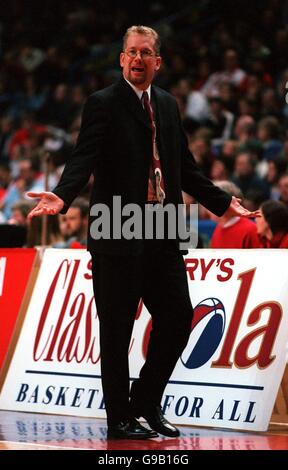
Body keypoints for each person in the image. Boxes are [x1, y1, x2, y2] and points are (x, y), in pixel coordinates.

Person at [27, 25, 259, 440]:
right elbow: (84, 157)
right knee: (116, 330)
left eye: (146, 52)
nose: (138, 58)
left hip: (163, 228)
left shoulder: (168, 105)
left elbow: (184, 168)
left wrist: (224, 202)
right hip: (115, 226)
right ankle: (119, 417)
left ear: (157, 62)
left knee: (177, 320)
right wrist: (63, 197)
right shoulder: (103, 103)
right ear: (121, 59)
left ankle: (146, 403)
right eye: (131, 52)